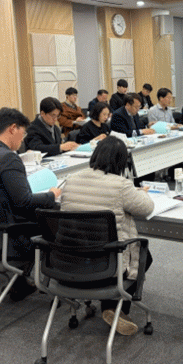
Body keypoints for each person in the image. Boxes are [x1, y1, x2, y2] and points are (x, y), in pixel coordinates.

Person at [0, 107, 62, 300]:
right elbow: (24, 201)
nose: (23, 140)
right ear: (12, 128)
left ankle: (20, 283)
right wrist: (51, 195)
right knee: (55, 218)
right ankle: (58, 284)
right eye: (22, 133)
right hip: (7, 238)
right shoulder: (8, 158)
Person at [60, 136, 154, 335]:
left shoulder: (71, 180)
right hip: (108, 264)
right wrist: (143, 192)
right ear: (122, 162)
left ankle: (111, 305)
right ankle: (115, 307)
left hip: (70, 260)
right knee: (144, 256)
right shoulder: (121, 185)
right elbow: (146, 208)